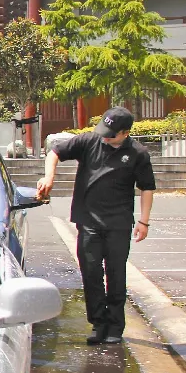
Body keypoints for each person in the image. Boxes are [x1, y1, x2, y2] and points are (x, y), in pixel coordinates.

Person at [36, 107, 156, 345]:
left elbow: (147, 188)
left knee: (116, 273)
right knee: (91, 273)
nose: (105, 137)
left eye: (111, 134)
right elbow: (55, 152)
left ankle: (115, 327)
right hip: (88, 220)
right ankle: (98, 324)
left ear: (125, 133)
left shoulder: (138, 153)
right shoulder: (89, 141)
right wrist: (49, 176)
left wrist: (144, 220)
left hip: (118, 223)